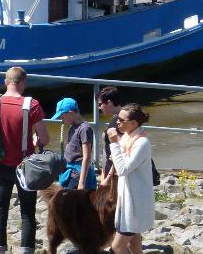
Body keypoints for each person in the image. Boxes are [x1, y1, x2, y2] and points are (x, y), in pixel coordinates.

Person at [0, 66, 49, 254]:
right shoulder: (32, 105)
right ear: (23, 82)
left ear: (5, 82)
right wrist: (33, 140)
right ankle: (26, 250)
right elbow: (45, 139)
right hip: (25, 166)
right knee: (28, 213)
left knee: (0, 210)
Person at [107, 103, 155, 254]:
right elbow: (119, 159)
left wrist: (114, 144)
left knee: (116, 248)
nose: (117, 123)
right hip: (127, 199)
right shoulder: (128, 137)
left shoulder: (142, 142)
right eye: (117, 118)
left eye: (121, 120)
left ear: (134, 123)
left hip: (134, 202)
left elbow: (123, 169)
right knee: (134, 243)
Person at [51, 97, 96, 191]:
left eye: (62, 117)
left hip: (77, 173)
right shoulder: (73, 127)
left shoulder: (84, 129)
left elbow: (86, 156)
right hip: (70, 170)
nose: (61, 120)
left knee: (69, 201)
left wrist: (81, 182)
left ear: (70, 113)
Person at [97, 86, 123, 183]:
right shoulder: (117, 119)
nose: (99, 108)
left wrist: (108, 178)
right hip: (111, 170)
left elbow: (121, 151)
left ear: (109, 102)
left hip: (115, 174)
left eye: (100, 104)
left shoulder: (120, 123)